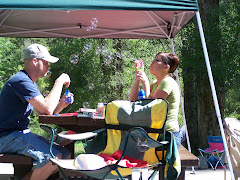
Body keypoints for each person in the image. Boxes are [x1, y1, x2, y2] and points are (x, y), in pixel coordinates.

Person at [0, 44, 74, 180]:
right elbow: (47, 108)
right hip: (5, 136)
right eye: (46, 63)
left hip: (17, 134)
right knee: (54, 158)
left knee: (64, 154)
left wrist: (61, 105)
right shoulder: (20, 80)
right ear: (35, 61)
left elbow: (44, 113)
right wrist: (59, 81)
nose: (48, 67)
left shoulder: (29, 82)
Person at [130, 52, 181, 149]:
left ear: (166, 67)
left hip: (167, 135)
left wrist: (145, 82)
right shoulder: (156, 83)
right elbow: (133, 100)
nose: (152, 61)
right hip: (157, 133)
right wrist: (138, 79)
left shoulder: (168, 82)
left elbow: (152, 107)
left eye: (157, 60)